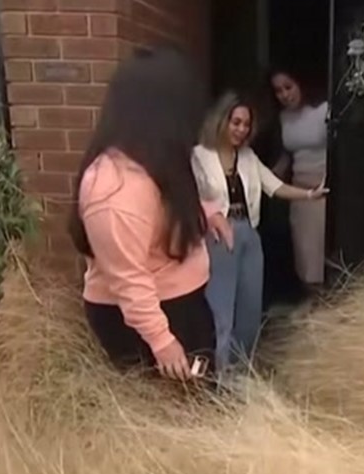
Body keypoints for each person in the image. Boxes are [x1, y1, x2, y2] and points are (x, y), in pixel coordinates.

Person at [68, 47, 232, 382]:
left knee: (200, 403)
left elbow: (164, 207)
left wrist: (207, 213)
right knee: (171, 417)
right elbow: (129, 278)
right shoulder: (114, 189)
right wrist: (162, 342)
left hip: (181, 304)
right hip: (150, 319)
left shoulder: (151, 158)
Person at [192, 91, 329, 371]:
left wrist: (309, 195)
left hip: (249, 235)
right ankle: (219, 375)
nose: (241, 130)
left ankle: (241, 370)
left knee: (250, 309)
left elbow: (274, 186)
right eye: (236, 122)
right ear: (222, 121)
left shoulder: (248, 157)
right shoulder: (199, 156)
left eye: (246, 125)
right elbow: (192, 198)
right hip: (219, 236)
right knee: (221, 308)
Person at [268, 66, 331, 294]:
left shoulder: (324, 110)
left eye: (288, 87)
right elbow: (289, 153)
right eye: (278, 91)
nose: (285, 94)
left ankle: (326, 305)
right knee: (303, 255)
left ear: (301, 84)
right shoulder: (283, 118)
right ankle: (311, 303)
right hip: (299, 192)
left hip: (323, 192)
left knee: (320, 255)